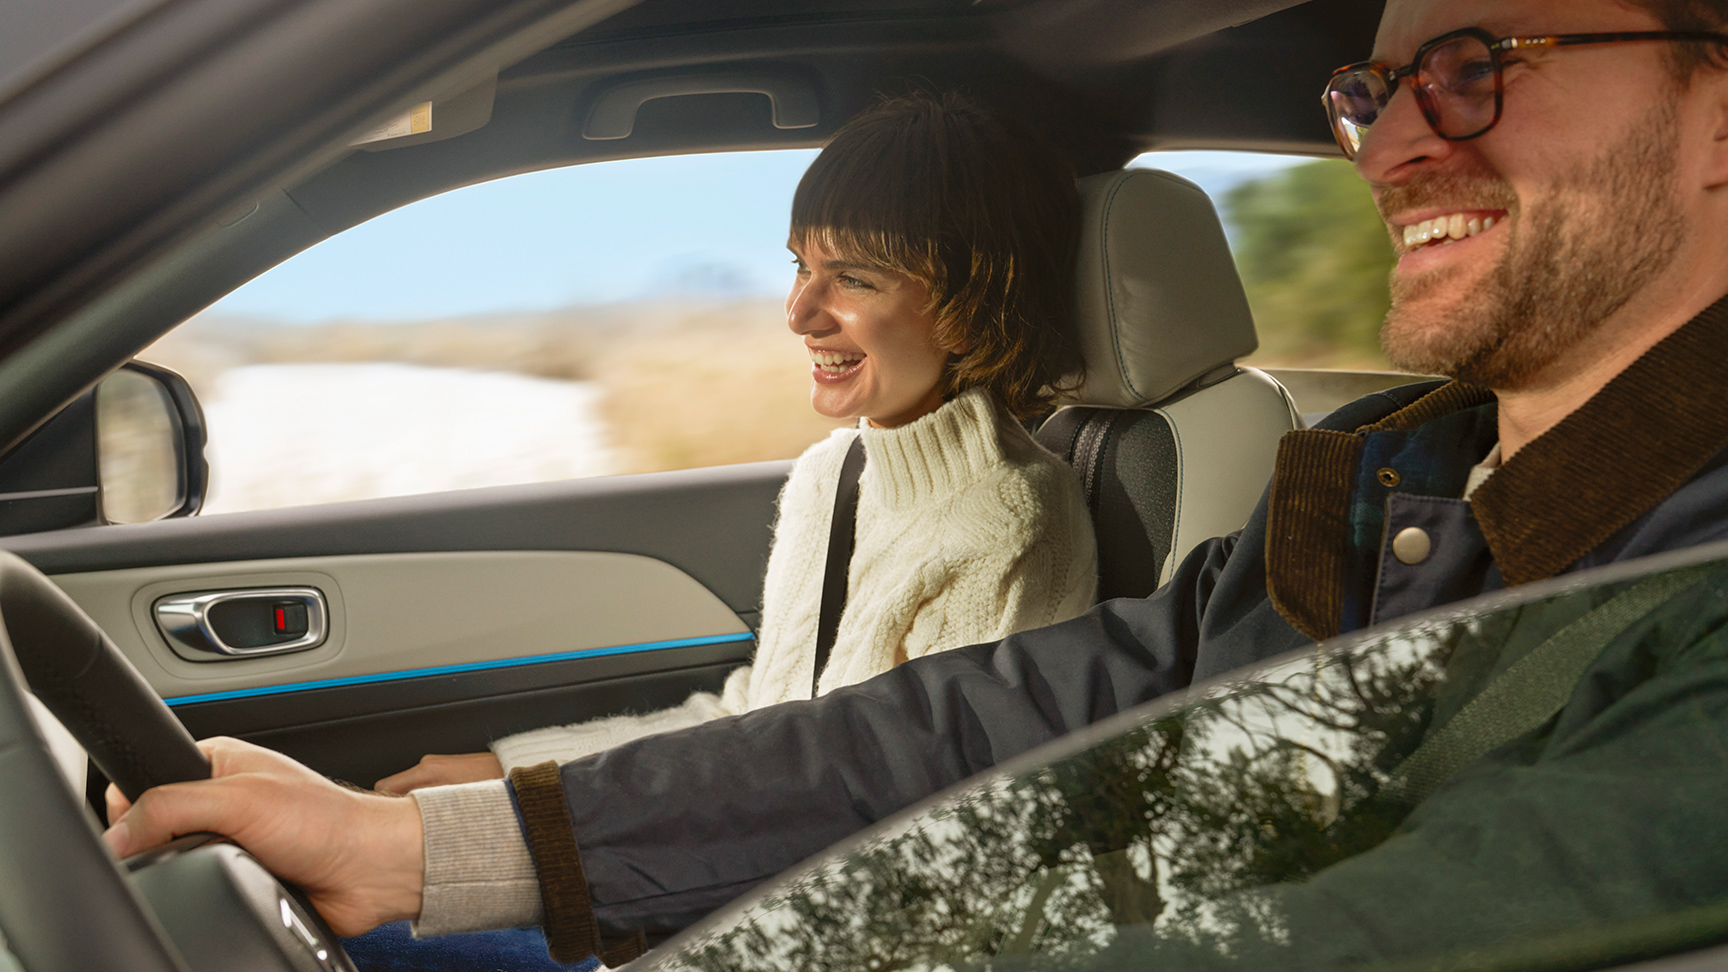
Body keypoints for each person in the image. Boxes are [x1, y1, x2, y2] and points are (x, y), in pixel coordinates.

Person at [100, 0, 1728, 965]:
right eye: (1361, 98)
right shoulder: (1382, 486)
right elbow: (978, 725)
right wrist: (448, 845)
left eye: (1467, 65)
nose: (1384, 151)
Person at [368, 94, 1097, 798]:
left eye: (853, 278)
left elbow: (942, 813)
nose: (799, 314)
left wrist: (541, 833)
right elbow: (753, 722)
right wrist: (515, 772)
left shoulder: (1010, 523)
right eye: (800, 267)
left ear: (973, 311)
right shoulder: (831, 477)